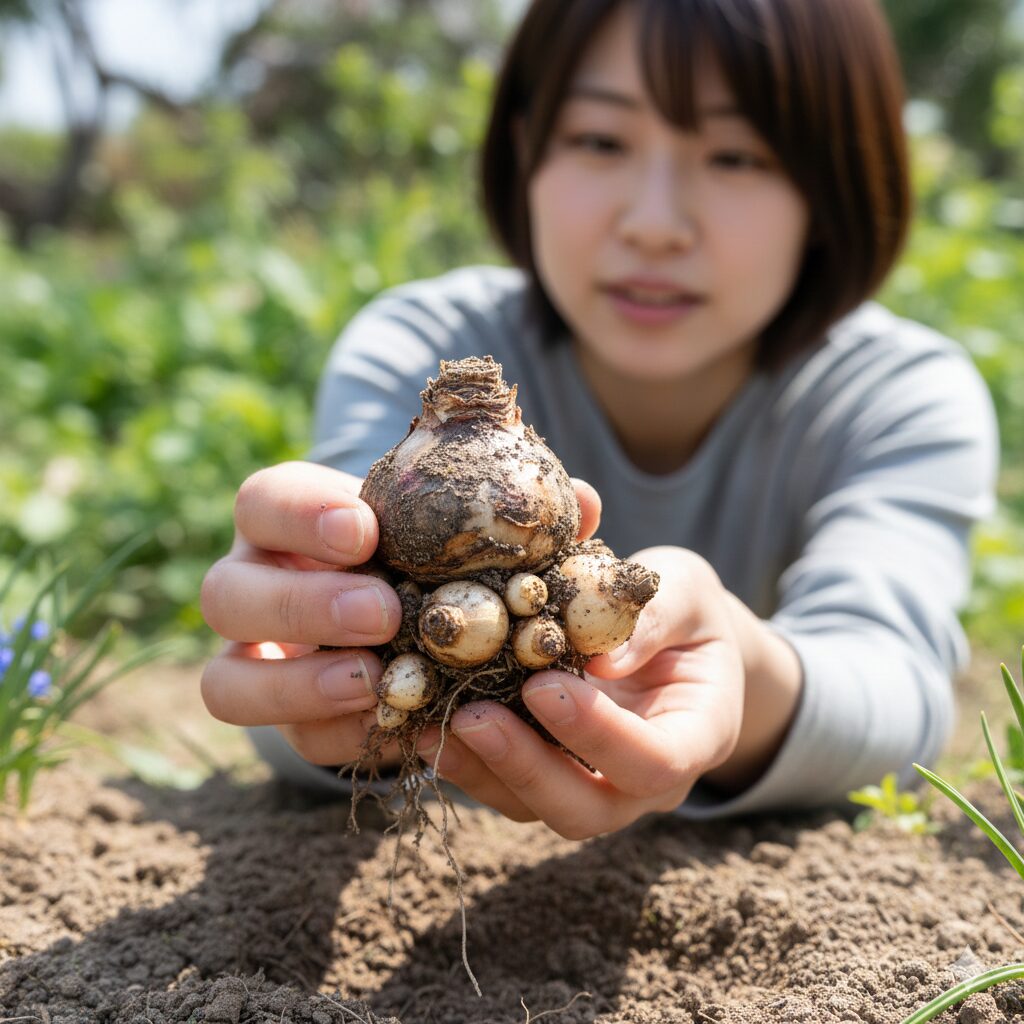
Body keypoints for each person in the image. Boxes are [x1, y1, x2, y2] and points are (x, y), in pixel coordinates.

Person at [199, 0, 998, 839]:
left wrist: (742, 666)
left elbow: (895, 696)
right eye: (601, 141)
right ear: (525, 149)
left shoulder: (896, 395)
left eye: (736, 155)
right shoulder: (421, 348)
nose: (654, 224)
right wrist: (315, 652)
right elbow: (330, 653)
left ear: (830, 185)